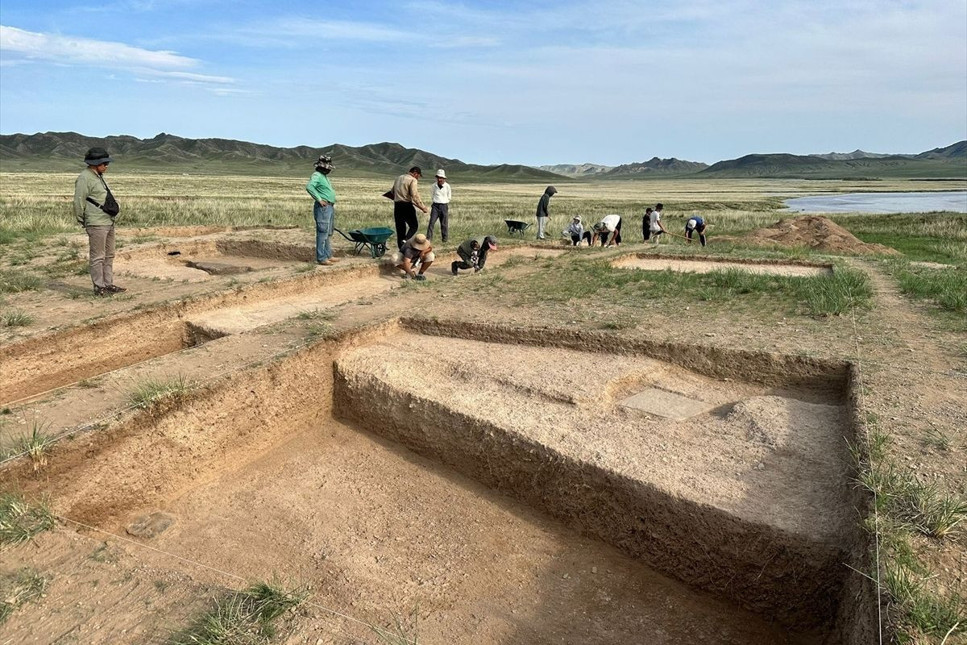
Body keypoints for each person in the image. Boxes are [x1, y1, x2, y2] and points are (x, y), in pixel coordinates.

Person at [74, 147, 124, 296]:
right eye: (104, 163)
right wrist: (82, 219)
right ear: (96, 163)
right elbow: (78, 200)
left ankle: (108, 284)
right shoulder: (84, 177)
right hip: (96, 222)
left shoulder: (98, 176)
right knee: (98, 256)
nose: (107, 166)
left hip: (108, 221)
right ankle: (99, 287)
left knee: (109, 255)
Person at [305, 154, 340, 266]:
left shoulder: (324, 177)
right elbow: (310, 186)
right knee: (322, 233)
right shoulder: (317, 175)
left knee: (327, 233)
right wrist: (319, 199)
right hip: (323, 208)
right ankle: (321, 258)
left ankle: (328, 255)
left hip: (329, 207)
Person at [392, 166, 429, 249]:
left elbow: (392, 191)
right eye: (418, 176)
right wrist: (423, 207)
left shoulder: (398, 178)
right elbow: (414, 195)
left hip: (397, 206)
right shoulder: (413, 180)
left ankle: (401, 250)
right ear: (415, 173)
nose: (418, 178)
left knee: (400, 228)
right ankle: (406, 240)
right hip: (406, 205)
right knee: (414, 226)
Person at [426, 169, 451, 242]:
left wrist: (444, 202)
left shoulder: (447, 186)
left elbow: (449, 196)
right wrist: (436, 201)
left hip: (444, 206)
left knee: (444, 223)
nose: (439, 179)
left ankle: (445, 239)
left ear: (444, 178)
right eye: (438, 177)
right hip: (435, 206)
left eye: (441, 178)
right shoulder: (433, 186)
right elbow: (432, 195)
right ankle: (429, 238)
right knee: (431, 222)